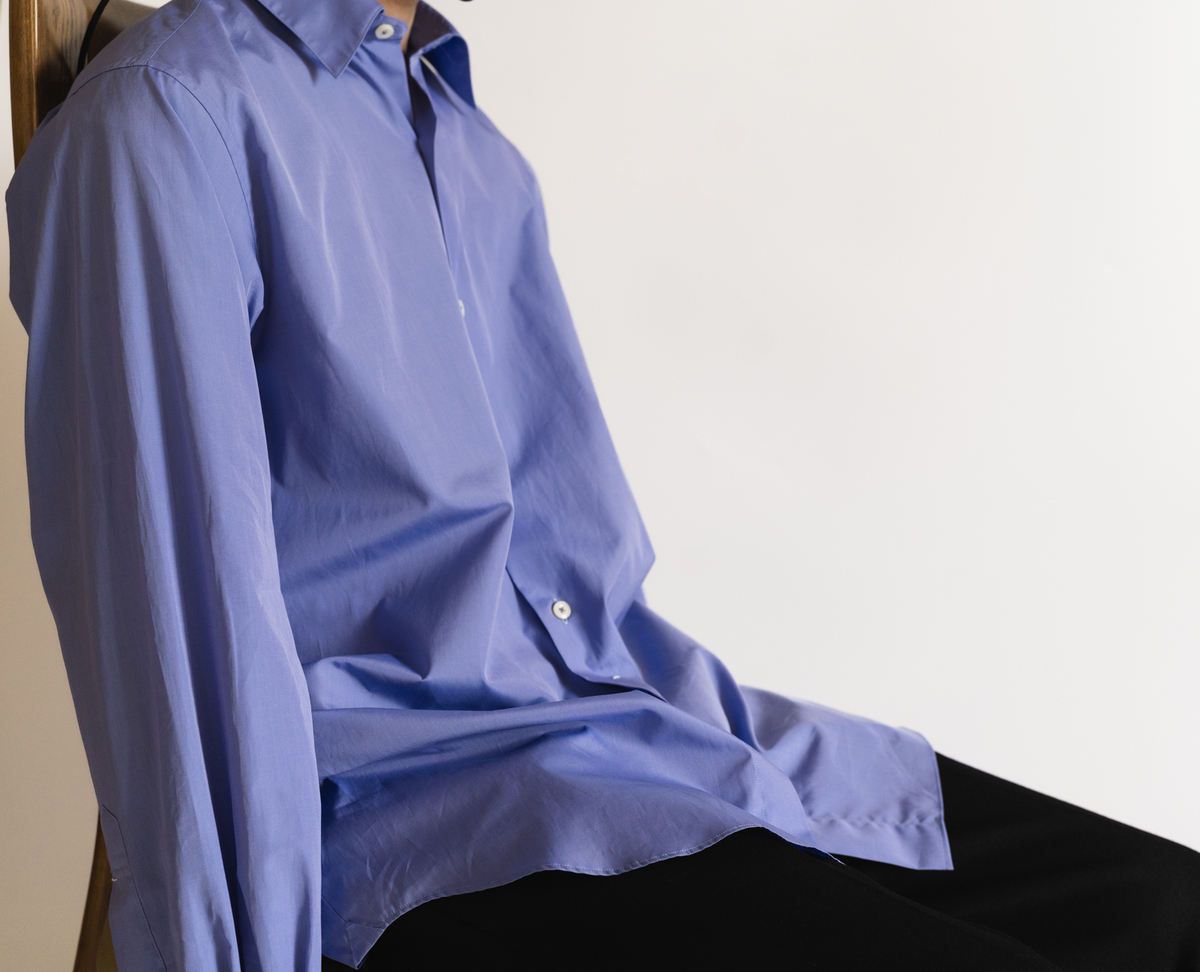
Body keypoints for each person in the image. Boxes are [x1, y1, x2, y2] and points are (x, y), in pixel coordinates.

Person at [7, 0, 1199, 969]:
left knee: (1164, 910)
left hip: (641, 733)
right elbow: (179, 657)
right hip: (423, 826)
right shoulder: (169, 119)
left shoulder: (474, 152)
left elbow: (571, 605)